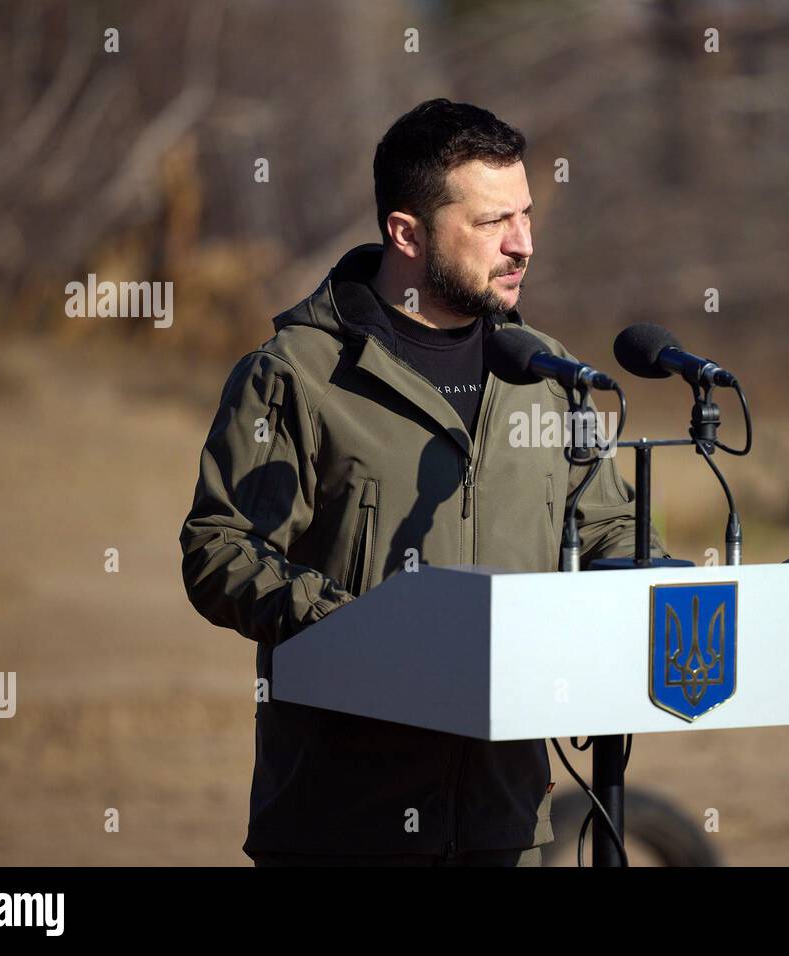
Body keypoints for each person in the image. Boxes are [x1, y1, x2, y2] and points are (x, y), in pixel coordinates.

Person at [179, 98, 668, 867]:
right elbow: (220, 548)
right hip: (343, 825)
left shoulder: (548, 374)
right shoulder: (299, 375)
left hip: (503, 823)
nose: (524, 244)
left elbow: (604, 526)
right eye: (493, 222)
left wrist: (641, 584)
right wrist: (363, 630)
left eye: (527, 215)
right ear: (407, 233)